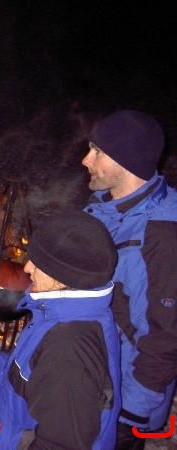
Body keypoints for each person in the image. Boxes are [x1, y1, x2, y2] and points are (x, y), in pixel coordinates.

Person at [0, 211, 121, 449]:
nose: (27, 268)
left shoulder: (69, 351)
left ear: (64, 276)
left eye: (39, 262)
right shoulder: (64, 313)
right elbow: (35, 370)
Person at [82, 109, 177, 449]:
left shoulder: (162, 239)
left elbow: (166, 337)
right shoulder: (106, 208)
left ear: (127, 160)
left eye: (97, 152)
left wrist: (130, 413)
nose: (85, 160)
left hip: (121, 402)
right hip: (93, 378)